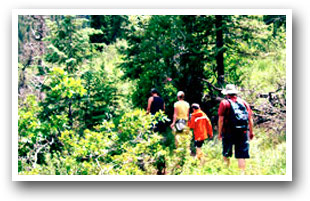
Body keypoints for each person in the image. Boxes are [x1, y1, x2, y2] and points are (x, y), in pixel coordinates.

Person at [218, 84, 254, 174]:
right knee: (241, 155)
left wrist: (220, 133)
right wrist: (251, 132)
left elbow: (221, 120)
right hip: (243, 132)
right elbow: (250, 119)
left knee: (226, 153)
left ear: (227, 94)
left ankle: (227, 172)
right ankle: (241, 174)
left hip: (228, 132)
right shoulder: (244, 102)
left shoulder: (224, 103)